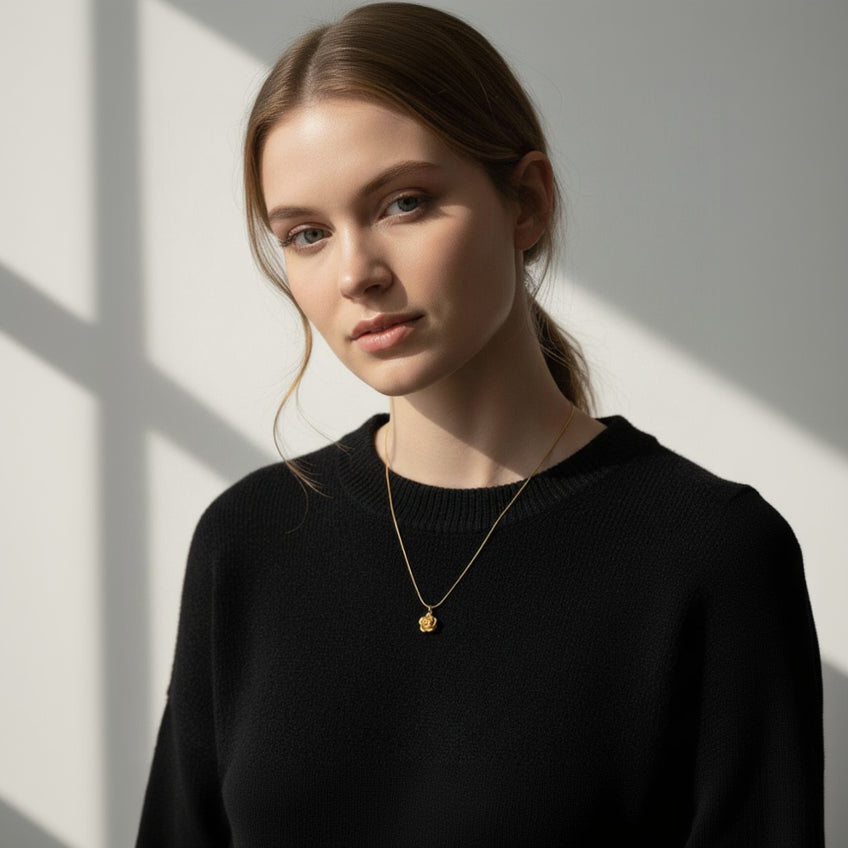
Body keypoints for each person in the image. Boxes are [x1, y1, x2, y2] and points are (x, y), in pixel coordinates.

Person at [136, 3, 824, 845]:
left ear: (526, 203)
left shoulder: (709, 554)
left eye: (404, 203)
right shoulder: (248, 542)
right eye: (308, 234)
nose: (356, 273)